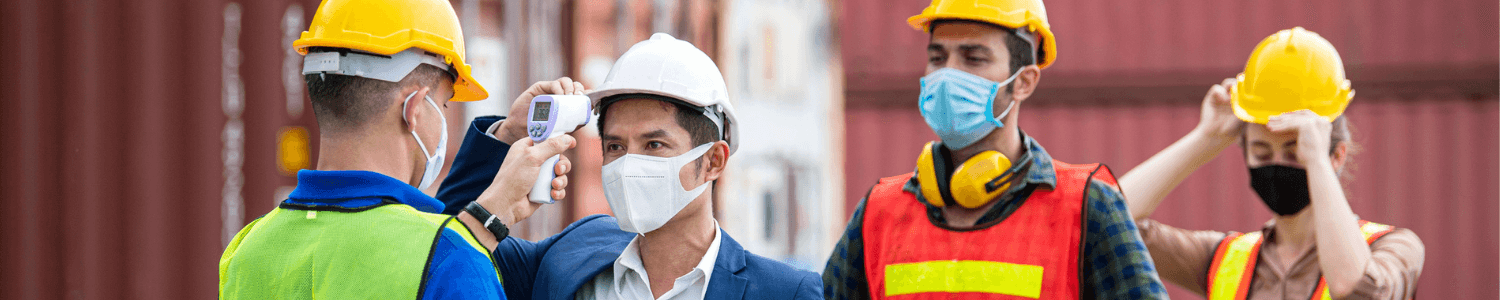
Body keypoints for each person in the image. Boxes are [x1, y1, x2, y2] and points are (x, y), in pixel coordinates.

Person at [218, 0, 577, 299]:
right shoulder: (447, 259)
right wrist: (486, 227)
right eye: (445, 105)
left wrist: (504, 139)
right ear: (415, 109)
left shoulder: (245, 251)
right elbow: (440, 250)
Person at [821, 0, 1167, 299]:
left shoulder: (1088, 207)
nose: (947, 75)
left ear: (1024, 82)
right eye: (937, 58)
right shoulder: (879, 213)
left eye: (973, 59)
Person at [436, 33, 821, 300]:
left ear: (712, 161)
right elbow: (447, 247)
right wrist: (508, 134)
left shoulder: (785, 291)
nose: (628, 164)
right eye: (615, 146)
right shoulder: (572, 254)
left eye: (654, 144)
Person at [1117, 27, 1425, 300]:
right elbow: (1111, 218)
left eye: (1294, 152)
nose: (1277, 165)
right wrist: (1206, 138)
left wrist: (1315, 160)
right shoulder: (1225, 260)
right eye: (1262, 154)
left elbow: (1353, 288)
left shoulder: (1395, 248)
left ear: (1337, 155)